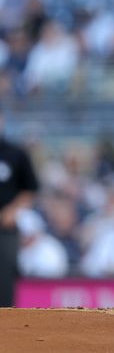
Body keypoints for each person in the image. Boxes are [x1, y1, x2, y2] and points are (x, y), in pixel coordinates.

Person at [0, 109, 39, 306]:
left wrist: (12, 210)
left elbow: (30, 189)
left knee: (4, 278)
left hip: (5, 229)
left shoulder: (16, 154)